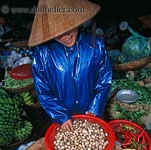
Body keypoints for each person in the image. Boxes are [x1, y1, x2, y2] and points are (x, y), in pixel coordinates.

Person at [29, 0, 112, 131]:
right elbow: (43, 90)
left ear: (77, 22)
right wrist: (60, 115)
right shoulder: (43, 53)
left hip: (92, 115)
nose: (64, 36)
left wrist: (95, 108)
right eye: (57, 33)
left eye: (68, 28)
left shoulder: (96, 45)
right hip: (62, 121)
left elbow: (104, 81)